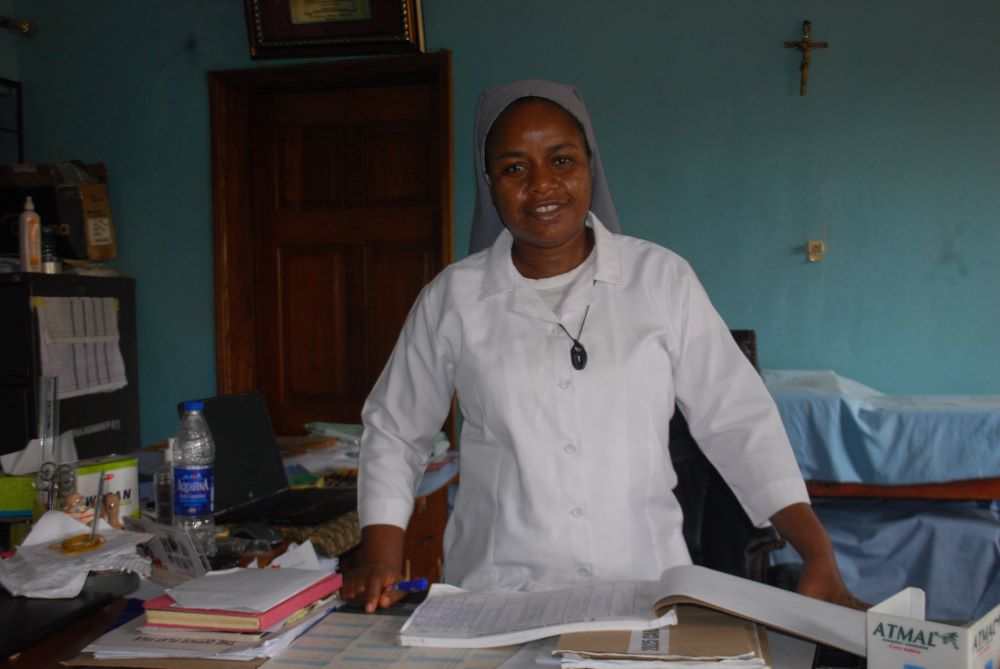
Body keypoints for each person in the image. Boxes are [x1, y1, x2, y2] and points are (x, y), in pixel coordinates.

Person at [344, 80, 863, 613]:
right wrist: (383, 555)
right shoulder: (453, 298)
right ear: (491, 183)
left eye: (561, 160)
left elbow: (738, 418)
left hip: (642, 590)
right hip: (497, 598)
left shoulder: (661, 279)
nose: (542, 185)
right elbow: (395, 429)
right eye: (514, 168)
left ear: (591, 166)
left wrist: (816, 549)